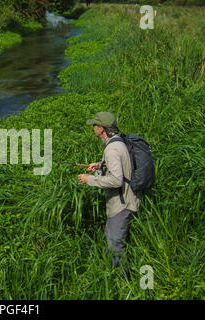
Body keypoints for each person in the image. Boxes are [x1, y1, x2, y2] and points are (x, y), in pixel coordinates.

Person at [77, 111, 140, 278]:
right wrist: (99, 165)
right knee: (113, 238)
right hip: (127, 199)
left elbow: (116, 180)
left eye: (95, 126)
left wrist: (89, 179)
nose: (94, 128)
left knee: (114, 243)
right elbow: (120, 165)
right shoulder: (118, 142)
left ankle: (123, 282)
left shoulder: (111, 149)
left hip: (121, 204)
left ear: (102, 129)